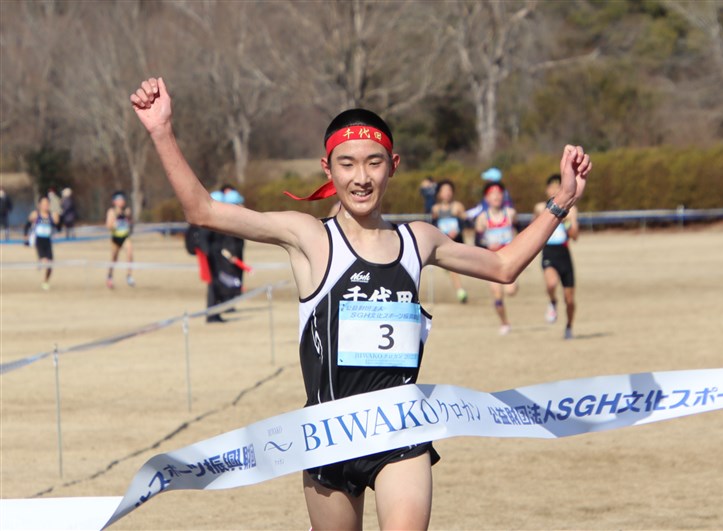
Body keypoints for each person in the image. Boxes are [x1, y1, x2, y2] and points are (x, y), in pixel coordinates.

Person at [130, 76, 591, 530]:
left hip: (401, 433)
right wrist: (161, 132)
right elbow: (203, 211)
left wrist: (562, 200)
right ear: (328, 170)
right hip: (328, 436)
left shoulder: (419, 240)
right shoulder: (309, 238)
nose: (362, 178)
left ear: (393, 164)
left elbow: (504, 265)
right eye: (347, 164)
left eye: (374, 163)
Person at [534, 174, 580, 339]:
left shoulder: (571, 210)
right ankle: (552, 302)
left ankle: (569, 326)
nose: (554, 190)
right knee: (551, 283)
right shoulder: (540, 208)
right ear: (546, 190)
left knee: (569, 299)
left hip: (564, 253)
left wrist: (566, 221)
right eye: (551, 187)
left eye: (557, 186)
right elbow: (534, 230)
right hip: (548, 251)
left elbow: (575, 236)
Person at [474, 182, 519, 335]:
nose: (496, 197)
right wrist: (487, 243)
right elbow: (477, 241)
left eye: (499, 193)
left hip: (509, 259)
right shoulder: (482, 218)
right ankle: (504, 322)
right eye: (492, 194)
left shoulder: (510, 213)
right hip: (492, 260)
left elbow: (519, 232)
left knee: (511, 291)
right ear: (486, 198)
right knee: (497, 295)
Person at [430, 179, 468, 303]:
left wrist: (457, 230)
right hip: (443, 243)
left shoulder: (458, 206)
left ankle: (460, 290)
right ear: (439, 194)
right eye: (444, 191)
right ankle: (460, 291)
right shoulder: (435, 209)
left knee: (454, 268)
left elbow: (465, 223)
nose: (447, 193)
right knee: (453, 268)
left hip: (457, 241)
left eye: (449, 190)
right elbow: (434, 225)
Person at [27, 195, 59, 290]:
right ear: (40, 205)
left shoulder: (52, 215)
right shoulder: (35, 214)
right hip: (39, 240)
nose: (45, 205)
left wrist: (56, 219)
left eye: (47, 204)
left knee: (50, 264)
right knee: (44, 260)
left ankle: (45, 281)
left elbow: (57, 224)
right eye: (43, 204)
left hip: (48, 240)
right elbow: (28, 223)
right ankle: (40, 261)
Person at [105, 191, 135, 289]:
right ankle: (109, 276)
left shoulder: (127, 211)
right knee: (114, 259)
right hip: (116, 238)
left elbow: (131, 225)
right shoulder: (112, 211)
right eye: (120, 200)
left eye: (123, 199)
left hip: (125, 236)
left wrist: (129, 217)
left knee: (130, 253)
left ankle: (129, 276)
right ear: (115, 201)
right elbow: (108, 226)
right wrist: (114, 223)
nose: (122, 202)